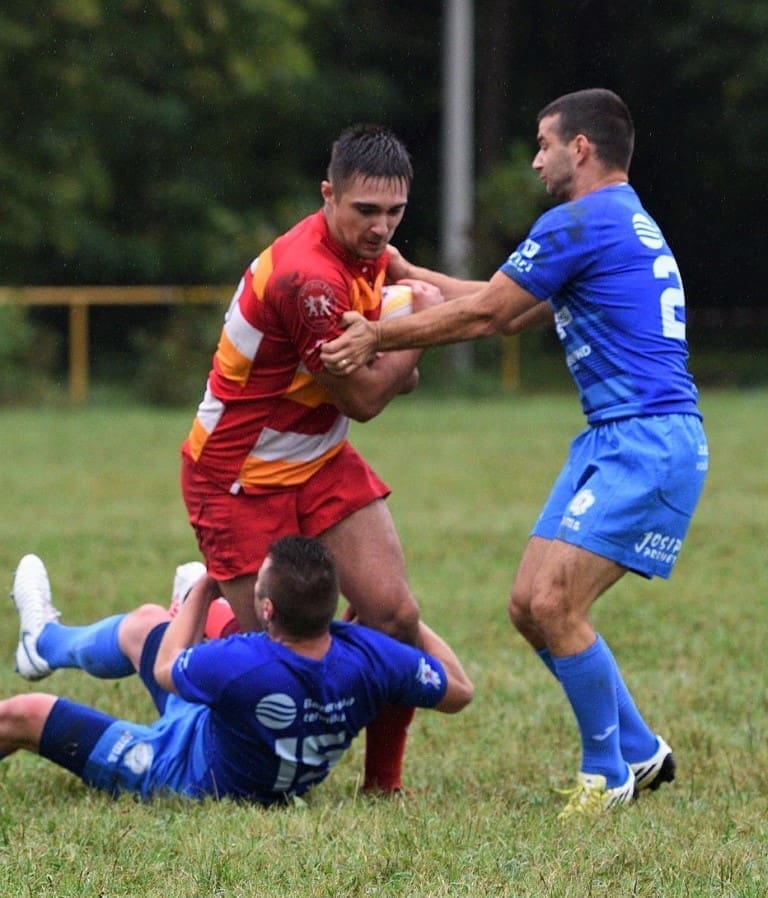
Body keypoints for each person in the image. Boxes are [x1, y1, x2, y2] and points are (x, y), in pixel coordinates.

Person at [321, 88, 709, 819]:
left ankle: (605, 774)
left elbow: (489, 314)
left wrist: (376, 334)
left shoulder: (579, 220)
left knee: (556, 603)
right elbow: (510, 307)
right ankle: (639, 748)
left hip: (647, 438)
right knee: (529, 606)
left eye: (543, 144)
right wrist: (413, 277)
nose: (535, 160)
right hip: (616, 436)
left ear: (580, 149)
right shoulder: (620, 220)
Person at [180, 124, 446, 793]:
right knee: (275, 659)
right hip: (238, 475)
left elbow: (451, 312)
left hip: (320, 458)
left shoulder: (367, 250)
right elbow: (366, 397)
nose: (381, 227)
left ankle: (383, 785)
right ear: (328, 195)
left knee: (395, 617)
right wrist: (414, 335)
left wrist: (545, 293)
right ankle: (188, 608)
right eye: (366, 210)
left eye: (395, 212)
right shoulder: (309, 280)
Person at [5, 542, 473, 803]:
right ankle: (42, 643)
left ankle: (50, 643)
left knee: (25, 713)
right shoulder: (370, 658)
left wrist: (207, 587)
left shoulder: (244, 664)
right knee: (146, 623)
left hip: (181, 773)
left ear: (267, 610)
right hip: (221, 728)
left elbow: (167, 668)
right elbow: (460, 690)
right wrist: (402, 615)